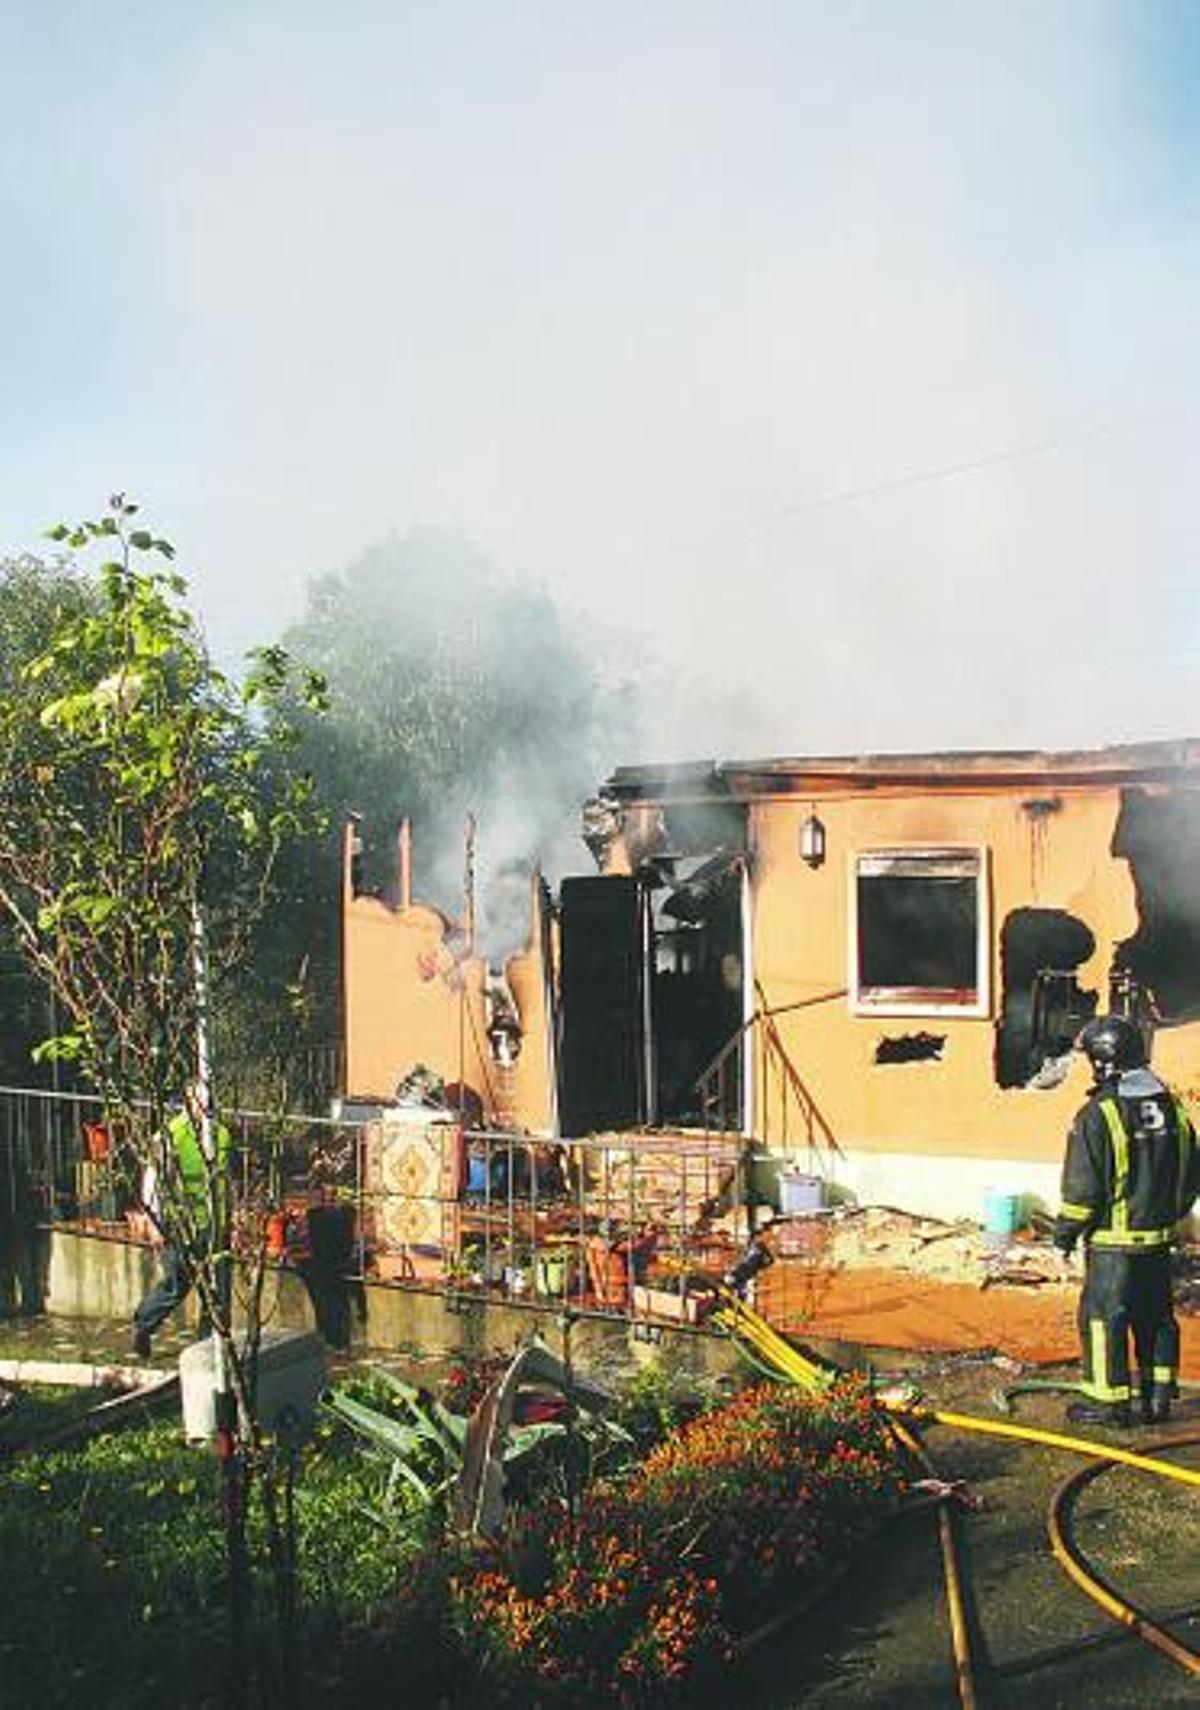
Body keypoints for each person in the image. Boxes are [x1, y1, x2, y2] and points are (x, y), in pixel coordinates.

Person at [1053, 1015, 1199, 1429]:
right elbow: (1190, 1176)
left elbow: (1083, 1190)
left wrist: (1064, 1235)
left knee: (1103, 1319)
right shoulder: (1173, 1108)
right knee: (1155, 1318)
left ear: (1103, 1061)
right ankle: (1157, 1400)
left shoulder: (1099, 1114)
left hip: (1113, 1247)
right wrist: (1167, 1217)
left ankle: (1108, 1404)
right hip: (1158, 1244)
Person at [131, 1084, 231, 1359]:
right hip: (179, 1224)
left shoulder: (222, 1134)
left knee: (218, 1291)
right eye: (201, 1103)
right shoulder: (169, 1134)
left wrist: (231, 1219)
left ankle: (207, 1349)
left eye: (209, 1103)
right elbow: (152, 1178)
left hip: (214, 1224)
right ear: (189, 1103)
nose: (206, 1108)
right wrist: (154, 1220)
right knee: (177, 1284)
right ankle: (144, 1324)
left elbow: (226, 1180)